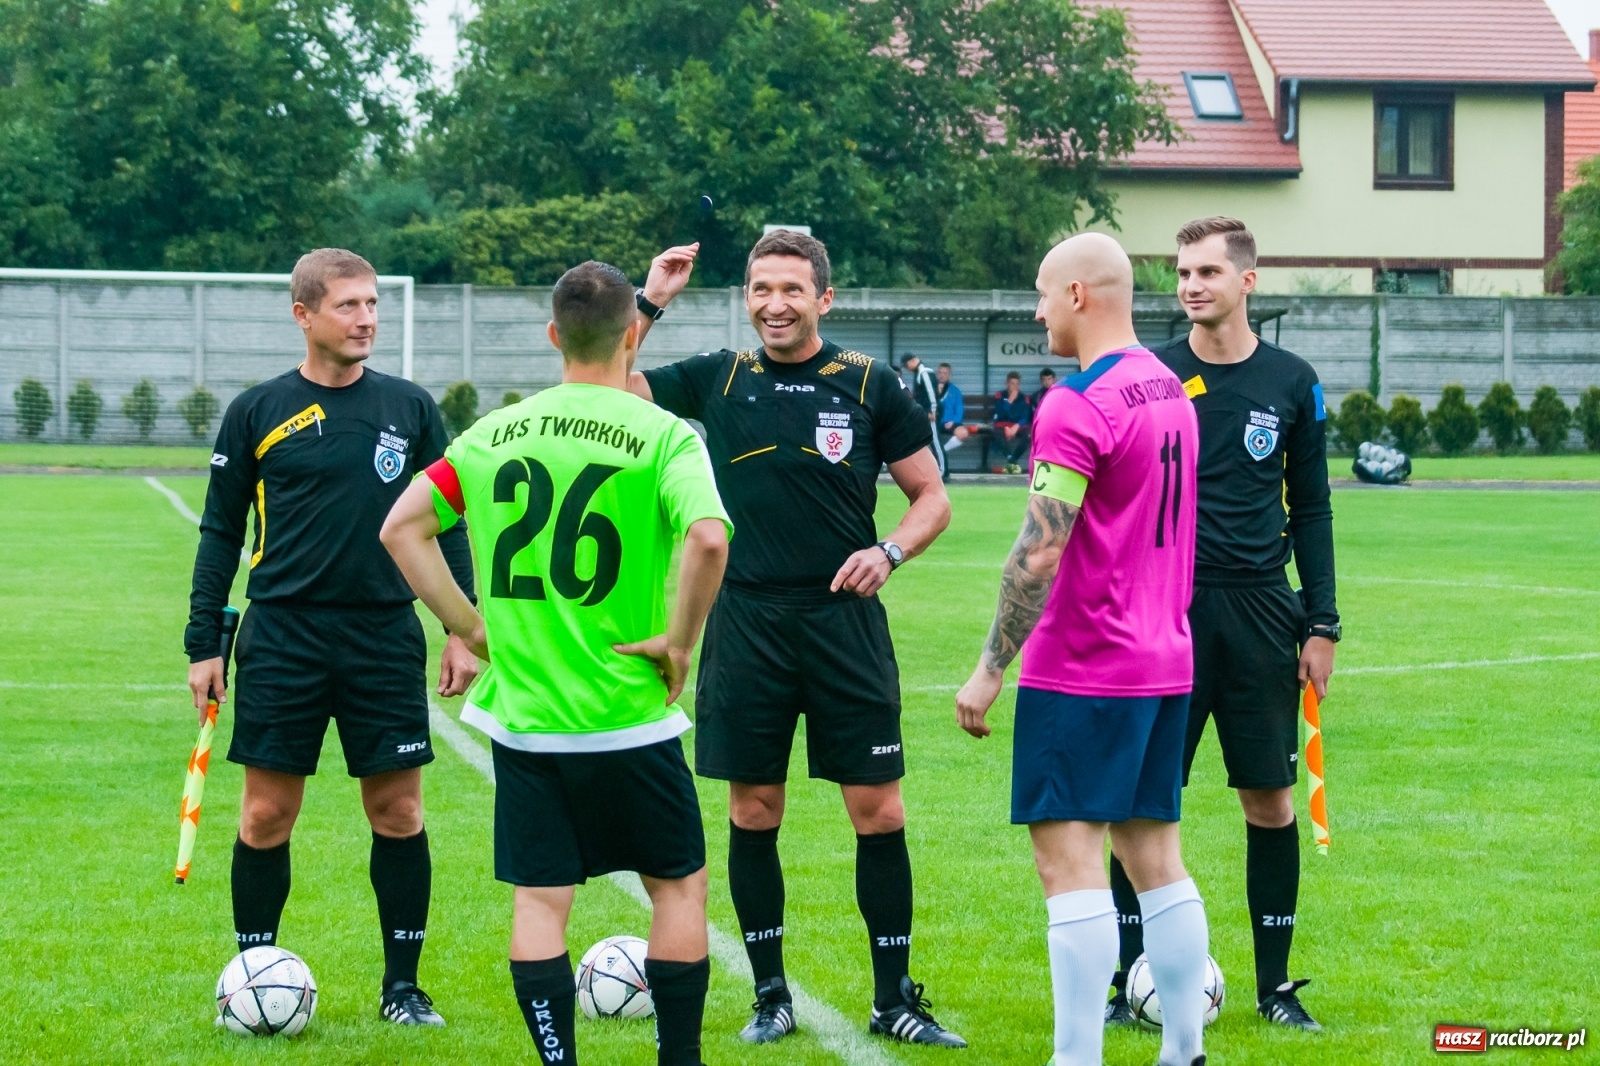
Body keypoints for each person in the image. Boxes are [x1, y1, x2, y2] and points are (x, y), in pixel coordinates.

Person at [380, 260, 732, 1066]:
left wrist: (466, 626)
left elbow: (402, 529)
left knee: (542, 902)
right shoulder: (664, 433)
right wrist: (681, 642)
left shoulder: (492, 434)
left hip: (529, 721)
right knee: (676, 888)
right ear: (632, 335)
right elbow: (709, 536)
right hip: (625, 713)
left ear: (552, 337)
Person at [627, 230, 965, 1048]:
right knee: (754, 808)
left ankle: (894, 998)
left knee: (878, 811)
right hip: (746, 623)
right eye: (759, 289)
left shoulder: (871, 384)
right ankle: (769, 995)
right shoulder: (718, 377)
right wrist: (651, 299)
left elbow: (931, 498)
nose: (773, 303)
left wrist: (890, 551)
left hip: (844, 625)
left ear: (824, 297)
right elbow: (606, 379)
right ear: (746, 298)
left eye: (790, 288)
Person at [183, 248, 478, 1027]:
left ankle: (403, 988)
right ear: (304, 315)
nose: (367, 319)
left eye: (373, 304)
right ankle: (252, 975)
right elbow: (220, 533)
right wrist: (201, 645)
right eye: (349, 305)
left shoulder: (410, 409)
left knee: (399, 814)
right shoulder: (257, 410)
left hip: (382, 635)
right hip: (284, 635)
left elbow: (447, 523)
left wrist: (461, 629)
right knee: (264, 818)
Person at [955, 232, 1210, 1066]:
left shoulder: (1078, 402)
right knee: (1157, 860)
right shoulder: (1171, 387)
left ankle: (1075, 1059)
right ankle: (1183, 1051)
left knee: (1070, 869)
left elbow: (1038, 550)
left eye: (1039, 291)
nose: (1035, 309)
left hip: (1087, 667)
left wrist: (990, 670)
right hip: (1164, 662)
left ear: (1076, 296)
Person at [1106, 216, 1338, 1033]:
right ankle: (1123, 982)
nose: (1192, 285)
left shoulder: (1292, 380)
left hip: (1259, 611)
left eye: (1207, 271)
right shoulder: (1150, 376)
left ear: (1247, 280)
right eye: (1181, 272)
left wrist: (1323, 623)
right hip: (1160, 609)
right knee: (1139, 802)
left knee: (1268, 800)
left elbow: (1311, 507)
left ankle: (1274, 986)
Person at [902, 354, 947, 479]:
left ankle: (943, 471)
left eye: (906, 365)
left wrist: (932, 410)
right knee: (928, 442)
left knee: (936, 442)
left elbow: (931, 393)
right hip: (924, 413)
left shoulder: (924, 373)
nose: (907, 368)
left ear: (912, 361)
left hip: (930, 414)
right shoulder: (920, 373)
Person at [991, 370, 1034, 474]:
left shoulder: (1025, 398)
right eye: (1012, 383)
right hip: (1002, 425)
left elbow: (1026, 416)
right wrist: (1010, 400)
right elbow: (999, 413)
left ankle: (1012, 460)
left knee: (1029, 435)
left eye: (1017, 384)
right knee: (996, 433)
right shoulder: (1000, 395)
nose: (1015, 386)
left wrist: (1016, 426)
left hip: (1018, 426)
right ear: (1007, 383)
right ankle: (1012, 460)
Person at [935, 362, 970, 455]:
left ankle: (942, 452)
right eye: (940, 372)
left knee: (963, 433)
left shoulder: (955, 391)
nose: (942, 375)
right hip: (933, 422)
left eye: (945, 373)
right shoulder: (930, 388)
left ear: (949, 376)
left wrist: (953, 422)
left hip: (950, 422)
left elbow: (959, 410)